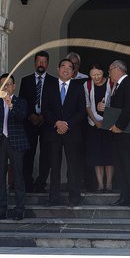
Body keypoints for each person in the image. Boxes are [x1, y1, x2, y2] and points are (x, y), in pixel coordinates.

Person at [0, 74, 29, 220]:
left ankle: (19, 209)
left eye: (8, 84)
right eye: (2, 84)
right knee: (0, 175)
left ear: (14, 86)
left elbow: (22, 117)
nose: (6, 87)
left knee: (18, 176)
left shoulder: (20, 101)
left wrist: (10, 105)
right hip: (0, 142)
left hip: (16, 142)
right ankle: (1, 209)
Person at [42, 58, 85, 206]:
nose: (66, 70)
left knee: (73, 166)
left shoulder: (79, 87)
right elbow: (45, 109)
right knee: (54, 165)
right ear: (58, 68)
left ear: (73, 72)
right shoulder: (48, 85)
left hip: (72, 132)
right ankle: (53, 198)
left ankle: (74, 197)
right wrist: (57, 123)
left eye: (69, 68)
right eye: (63, 67)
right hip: (53, 131)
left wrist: (67, 124)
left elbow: (81, 111)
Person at [103, 60, 130, 207]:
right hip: (117, 133)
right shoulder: (117, 87)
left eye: (109, 70)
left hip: (127, 132)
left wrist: (119, 125)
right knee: (120, 166)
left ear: (117, 69)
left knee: (129, 165)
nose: (108, 74)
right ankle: (125, 196)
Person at [19, 51, 55, 192]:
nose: (41, 64)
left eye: (44, 62)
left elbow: (54, 103)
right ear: (35, 63)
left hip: (47, 123)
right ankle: (28, 183)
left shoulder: (53, 81)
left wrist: (44, 116)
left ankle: (41, 184)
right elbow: (22, 101)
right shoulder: (25, 80)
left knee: (46, 155)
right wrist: (30, 115)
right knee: (28, 154)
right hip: (30, 122)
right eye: (39, 61)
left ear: (48, 64)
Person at [84, 64, 114, 192]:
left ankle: (109, 183)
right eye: (93, 75)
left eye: (98, 74)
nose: (96, 77)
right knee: (96, 155)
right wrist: (96, 122)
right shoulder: (87, 85)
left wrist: (106, 121)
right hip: (93, 124)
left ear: (104, 73)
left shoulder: (111, 83)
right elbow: (87, 105)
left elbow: (116, 102)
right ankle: (100, 184)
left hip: (110, 123)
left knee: (109, 154)